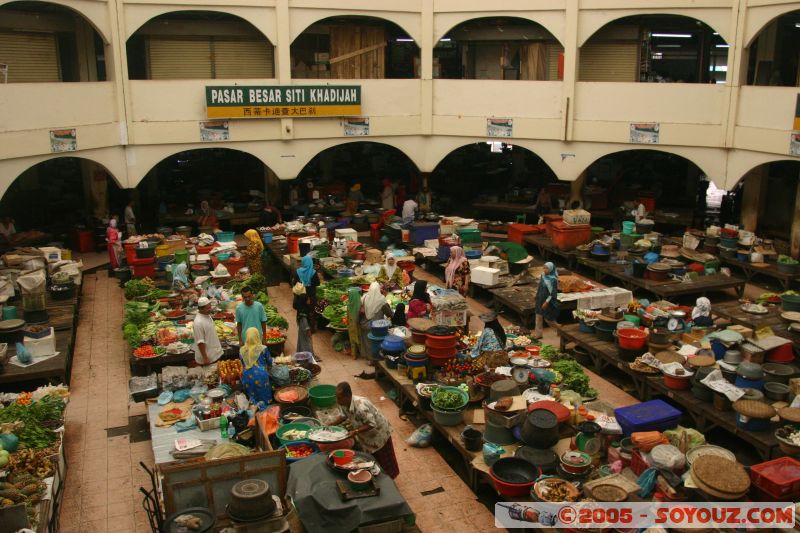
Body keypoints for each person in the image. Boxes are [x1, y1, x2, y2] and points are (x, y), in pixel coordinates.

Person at [332, 382, 399, 479]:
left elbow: (371, 424)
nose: (337, 401)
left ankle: (390, 479)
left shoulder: (361, 406)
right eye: (337, 397)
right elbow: (343, 415)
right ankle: (379, 476)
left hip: (379, 434)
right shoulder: (344, 404)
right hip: (367, 436)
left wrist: (355, 432)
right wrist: (331, 425)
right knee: (373, 458)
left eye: (339, 398)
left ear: (348, 396)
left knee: (384, 458)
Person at [239, 327, 273, 408]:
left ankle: (254, 409)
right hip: (261, 376)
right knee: (264, 397)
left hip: (247, 377)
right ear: (258, 336)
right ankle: (265, 410)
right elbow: (270, 362)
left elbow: (243, 365)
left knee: (253, 397)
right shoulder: (263, 349)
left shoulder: (241, 350)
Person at [193, 297, 224, 366]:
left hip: (214, 353)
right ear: (201, 309)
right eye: (207, 308)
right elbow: (200, 342)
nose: (210, 309)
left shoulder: (207, 315)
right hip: (208, 357)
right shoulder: (198, 322)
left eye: (210, 307)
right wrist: (205, 358)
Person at [293, 255, 321, 332]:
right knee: (311, 312)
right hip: (311, 296)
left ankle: (302, 325)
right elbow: (318, 283)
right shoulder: (313, 272)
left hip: (301, 296)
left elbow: (294, 283)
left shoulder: (297, 271)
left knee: (301, 311)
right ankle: (311, 328)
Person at [534, 262, 559, 339]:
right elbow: (540, 286)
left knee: (548, 319)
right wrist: (536, 295)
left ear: (551, 269)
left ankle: (560, 331)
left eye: (547, 268)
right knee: (538, 317)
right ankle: (538, 335)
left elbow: (553, 293)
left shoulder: (553, 280)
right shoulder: (543, 276)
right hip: (540, 299)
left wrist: (546, 302)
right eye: (544, 268)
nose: (544, 270)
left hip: (548, 301)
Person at [292, 283, 315, 355]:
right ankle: (309, 355)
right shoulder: (304, 310)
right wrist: (308, 329)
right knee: (307, 340)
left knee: (301, 338)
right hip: (304, 325)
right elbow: (304, 319)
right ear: (305, 301)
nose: (309, 301)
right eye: (308, 300)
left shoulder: (300, 305)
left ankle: (301, 353)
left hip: (301, 323)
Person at [346, 286, 362, 358]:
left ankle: (354, 355)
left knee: (352, 339)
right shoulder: (360, 304)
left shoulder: (349, 305)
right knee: (359, 338)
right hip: (359, 324)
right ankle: (361, 353)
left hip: (351, 325)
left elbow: (348, 316)